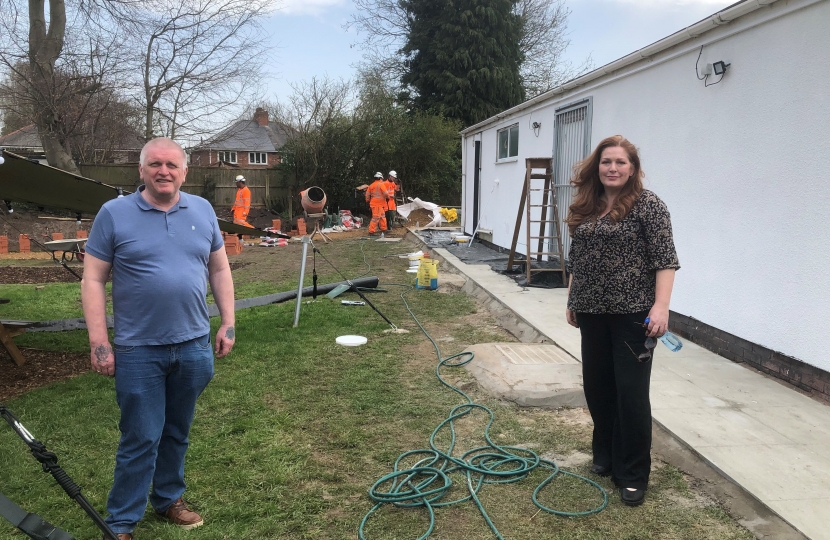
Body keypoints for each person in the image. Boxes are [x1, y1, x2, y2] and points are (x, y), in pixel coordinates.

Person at [81, 137, 236, 540]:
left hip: (194, 345)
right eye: (154, 164)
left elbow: (219, 270)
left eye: (171, 164)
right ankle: (121, 522)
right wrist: (100, 341)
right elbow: (93, 279)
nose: (163, 171)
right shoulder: (113, 214)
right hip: (138, 350)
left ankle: (168, 499)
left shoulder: (202, 211)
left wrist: (227, 322)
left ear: (185, 171)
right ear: (141, 170)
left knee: (177, 430)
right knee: (141, 436)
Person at [563, 135, 679, 508]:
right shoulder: (586, 205)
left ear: (633, 169)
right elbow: (576, 259)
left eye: (620, 163)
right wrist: (572, 298)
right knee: (598, 387)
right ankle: (606, 455)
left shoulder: (649, 206)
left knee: (630, 395)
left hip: (633, 315)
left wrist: (660, 308)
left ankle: (632, 474)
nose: (612, 168)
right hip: (592, 312)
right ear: (597, 167)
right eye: (606, 162)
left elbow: (666, 260)